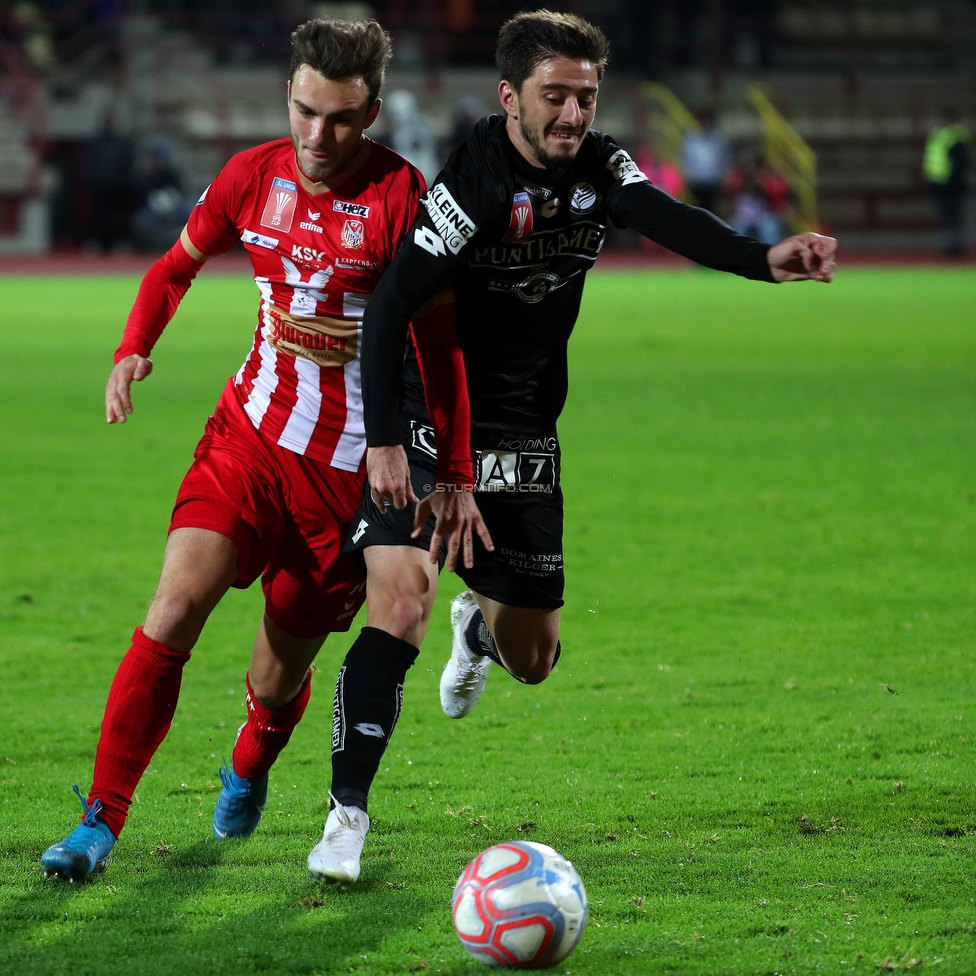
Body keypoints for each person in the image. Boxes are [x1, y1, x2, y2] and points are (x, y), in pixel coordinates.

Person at [308, 9, 837, 885]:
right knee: (398, 598)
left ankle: (478, 625)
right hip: (438, 413)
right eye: (555, 97)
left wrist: (762, 258)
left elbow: (659, 213)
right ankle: (346, 816)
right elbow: (396, 302)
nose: (572, 116)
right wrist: (391, 443)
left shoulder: (599, 164)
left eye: (585, 98)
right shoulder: (471, 183)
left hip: (524, 429)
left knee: (536, 663)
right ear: (510, 96)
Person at [39, 17, 464, 884]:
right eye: (306, 111)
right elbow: (173, 267)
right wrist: (133, 345)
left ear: (372, 112)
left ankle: (251, 758)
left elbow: (443, 349)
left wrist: (449, 469)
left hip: (349, 481)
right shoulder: (250, 176)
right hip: (249, 440)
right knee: (173, 607)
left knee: (276, 679)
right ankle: (100, 820)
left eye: (342, 119)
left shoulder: (403, 202)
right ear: (289, 96)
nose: (319, 136)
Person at [924, 113, 971, 256]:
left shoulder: (951, 137)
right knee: (949, 215)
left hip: (948, 184)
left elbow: (959, 164)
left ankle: (953, 246)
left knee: (951, 215)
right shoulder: (947, 136)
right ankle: (951, 245)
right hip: (942, 183)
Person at [679, 109, 733, 215]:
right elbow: (684, 158)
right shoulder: (691, 139)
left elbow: (726, 159)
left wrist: (723, 176)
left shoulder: (719, 139)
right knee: (697, 212)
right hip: (696, 183)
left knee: (713, 213)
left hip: (714, 183)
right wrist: (687, 175)